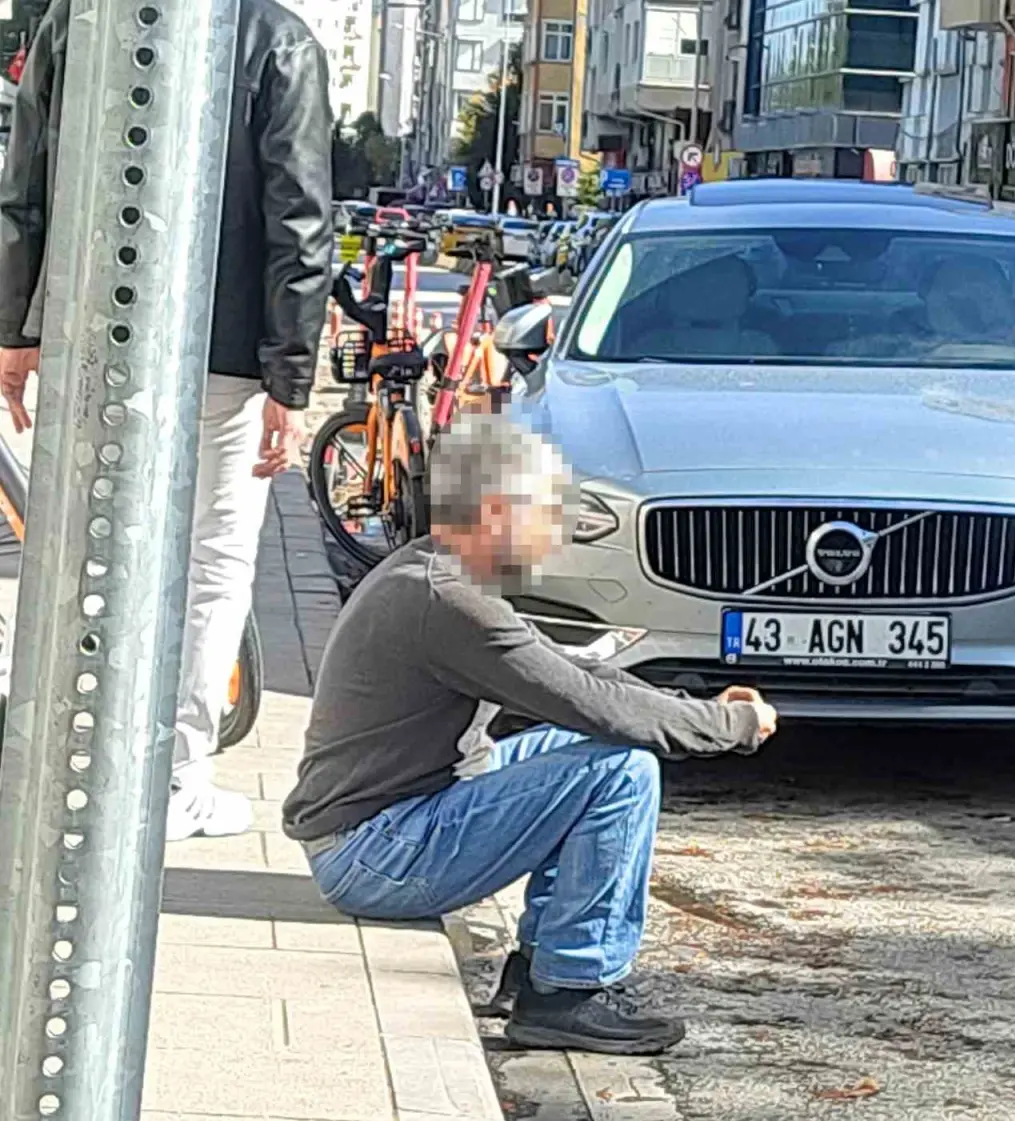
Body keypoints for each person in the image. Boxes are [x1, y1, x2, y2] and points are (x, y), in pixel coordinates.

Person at [282, 414, 777, 1055]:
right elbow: (589, 703)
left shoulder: (437, 574)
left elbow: (576, 672)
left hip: (376, 832)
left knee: (583, 755)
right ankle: (570, 992)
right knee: (618, 770)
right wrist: (730, 725)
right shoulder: (450, 602)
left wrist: (698, 706)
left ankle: (541, 970)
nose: (557, 532)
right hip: (376, 855)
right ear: (495, 512)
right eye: (548, 513)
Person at [0, 0, 333, 841]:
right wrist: (290, 380)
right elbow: (300, 218)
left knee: (84, 547)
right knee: (210, 566)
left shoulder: (80, 23)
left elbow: (25, 187)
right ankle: (177, 776)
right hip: (221, 356)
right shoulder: (280, 40)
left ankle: (68, 757)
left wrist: (15, 332)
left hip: (87, 337)